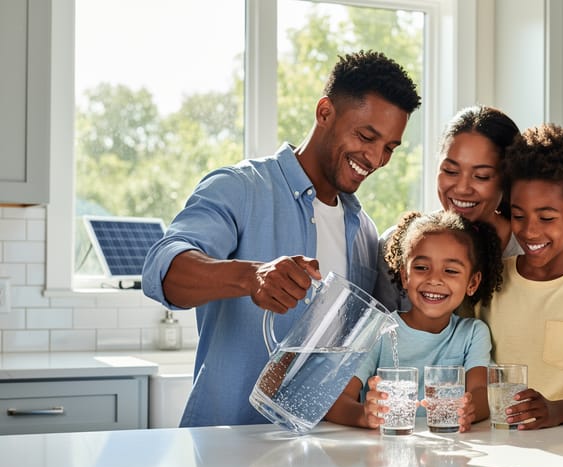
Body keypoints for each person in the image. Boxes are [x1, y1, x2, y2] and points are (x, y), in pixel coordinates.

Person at [141, 50, 421, 427]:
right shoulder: (240, 188)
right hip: (227, 449)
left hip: (319, 456)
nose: (375, 158)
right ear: (325, 113)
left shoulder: (363, 231)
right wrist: (250, 276)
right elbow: (163, 271)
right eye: (366, 136)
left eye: (389, 147)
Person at [477, 123, 563, 430]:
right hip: (489, 440)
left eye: (547, 217)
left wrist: (556, 411)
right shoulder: (490, 281)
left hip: (562, 443)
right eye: (519, 215)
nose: (530, 231)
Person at [325, 210, 503, 432]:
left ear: (472, 282)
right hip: (386, 451)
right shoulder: (378, 328)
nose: (434, 279)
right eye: (421, 268)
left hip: (449, 450)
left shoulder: (473, 333)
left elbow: (481, 391)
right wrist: (363, 415)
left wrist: (468, 410)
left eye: (450, 270)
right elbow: (335, 401)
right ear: (404, 276)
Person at [372, 105, 520, 313]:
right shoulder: (397, 245)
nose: (461, 188)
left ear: (506, 179)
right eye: (450, 171)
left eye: (481, 176)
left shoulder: (527, 251)